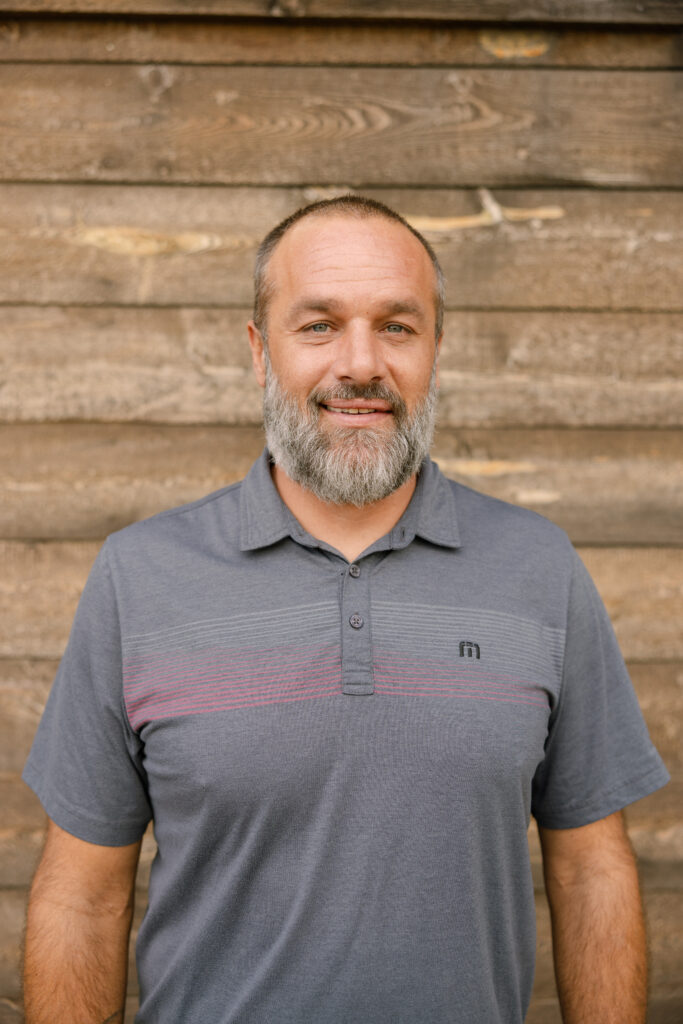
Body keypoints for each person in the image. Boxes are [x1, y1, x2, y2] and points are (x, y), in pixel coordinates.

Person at [23, 196, 668, 1024]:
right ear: (260, 352)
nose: (359, 363)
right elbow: (81, 896)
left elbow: (590, 872)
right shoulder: (139, 576)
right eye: (318, 325)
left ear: (436, 348)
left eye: (396, 326)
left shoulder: (537, 566)